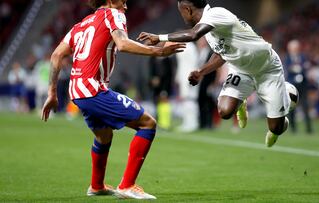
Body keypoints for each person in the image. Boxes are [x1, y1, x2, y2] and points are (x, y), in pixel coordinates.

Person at [41, 0, 185, 200]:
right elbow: (123, 44)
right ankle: (127, 185)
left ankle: (96, 185)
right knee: (147, 124)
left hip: (77, 91)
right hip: (93, 90)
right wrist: (158, 51)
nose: (125, 7)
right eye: (123, 2)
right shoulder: (114, 14)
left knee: (104, 136)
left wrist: (52, 92)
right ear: (110, 1)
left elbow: (56, 55)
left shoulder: (80, 25)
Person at [138, 0, 292, 147]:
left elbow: (193, 35)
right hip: (241, 69)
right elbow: (221, 54)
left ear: (187, 10)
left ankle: (288, 94)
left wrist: (159, 37)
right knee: (224, 111)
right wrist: (201, 71)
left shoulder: (216, 14)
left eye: (181, 13)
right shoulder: (211, 30)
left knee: (276, 127)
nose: (182, 17)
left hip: (266, 69)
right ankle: (240, 101)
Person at [284, 40, 313, 134]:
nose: (295, 50)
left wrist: (298, 68)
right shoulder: (287, 58)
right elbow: (288, 68)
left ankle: (309, 129)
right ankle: (293, 129)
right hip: (292, 86)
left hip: (303, 85)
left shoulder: (303, 57)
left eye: (296, 48)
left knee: (305, 107)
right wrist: (297, 68)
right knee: (292, 108)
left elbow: (306, 66)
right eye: (293, 48)